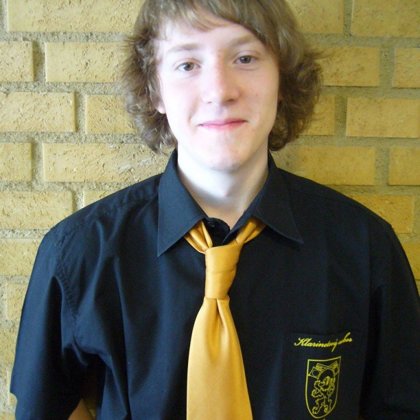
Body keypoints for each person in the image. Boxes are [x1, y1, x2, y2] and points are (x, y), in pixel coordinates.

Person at [11, 0, 420, 419]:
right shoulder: (78, 253)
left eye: (245, 58)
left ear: (282, 78)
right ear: (155, 89)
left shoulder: (365, 249)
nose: (220, 91)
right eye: (188, 64)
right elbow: (48, 404)